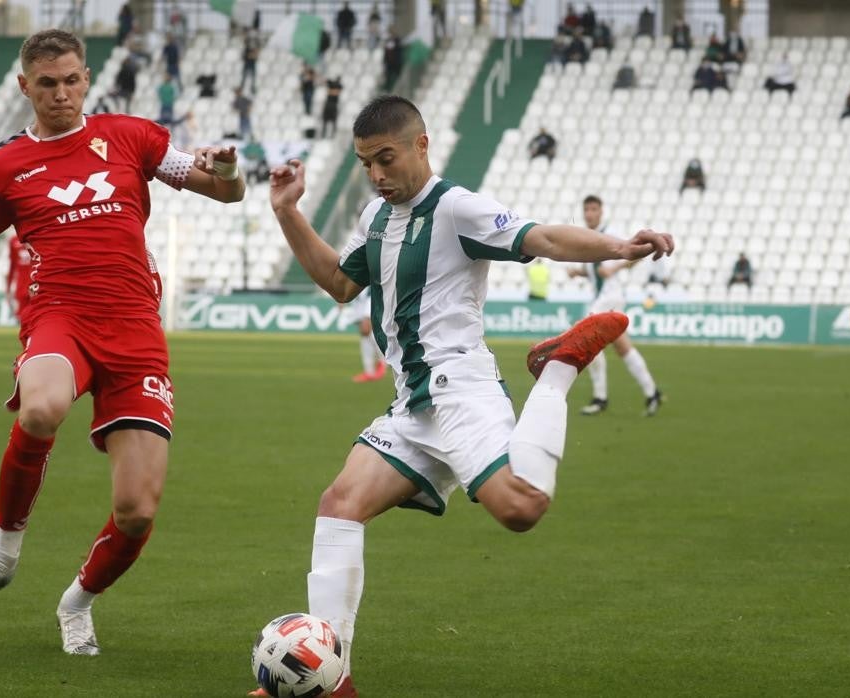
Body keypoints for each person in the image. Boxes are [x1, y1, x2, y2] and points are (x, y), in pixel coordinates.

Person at [251, 94, 672, 698]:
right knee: (339, 505)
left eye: (386, 159)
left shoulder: (457, 208)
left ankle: (555, 370)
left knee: (521, 510)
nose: (376, 175)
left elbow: (544, 237)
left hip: (461, 390)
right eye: (366, 162)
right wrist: (289, 212)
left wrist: (617, 247)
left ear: (421, 146)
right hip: (412, 404)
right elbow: (341, 284)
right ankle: (331, 680)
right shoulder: (376, 218)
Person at [0, 28, 246, 657]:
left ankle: (77, 603)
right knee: (41, 406)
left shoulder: (131, 136)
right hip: (59, 317)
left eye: (71, 80)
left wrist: (228, 170)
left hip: (137, 333)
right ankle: (2, 552)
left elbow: (224, 191)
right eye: (46, 83)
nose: (61, 94)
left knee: (137, 511)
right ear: (24, 86)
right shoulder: (2, 168)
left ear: (86, 78)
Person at [567, 195, 663, 416]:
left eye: (593, 209)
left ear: (601, 211)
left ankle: (600, 398)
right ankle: (652, 392)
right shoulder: (591, 237)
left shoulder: (610, 232)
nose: (589, 213)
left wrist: (615, 269)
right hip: (605, 296)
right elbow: (596, 271)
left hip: (611, 296)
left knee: (586, 336)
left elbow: (637, 255)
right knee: (622, 347)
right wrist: (579, 273)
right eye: (586, 209)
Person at [342, 287, 386, 382]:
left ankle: (383, 362)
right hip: (360, 310)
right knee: (366, 336)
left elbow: (371, 295)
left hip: (369, 309)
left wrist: (367, 316)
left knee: (371, 334)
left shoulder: (368, 280)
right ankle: (370, 371)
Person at [6, 234, 33, 322]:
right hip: (21, 286)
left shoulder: (37, 237)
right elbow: (12, 266)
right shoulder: (13, 241)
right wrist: (8, 289)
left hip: (36, 285)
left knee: (36, 317)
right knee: (22, 318)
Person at [240, 30, 259, 94]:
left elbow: (255, 56)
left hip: (252, 63)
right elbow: (246, 55)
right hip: (247, 62)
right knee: (244, 76)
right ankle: (242, 87)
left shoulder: (255, 44)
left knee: (252, 77)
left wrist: (252, 55)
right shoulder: (247, 45)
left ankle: (252, 88)